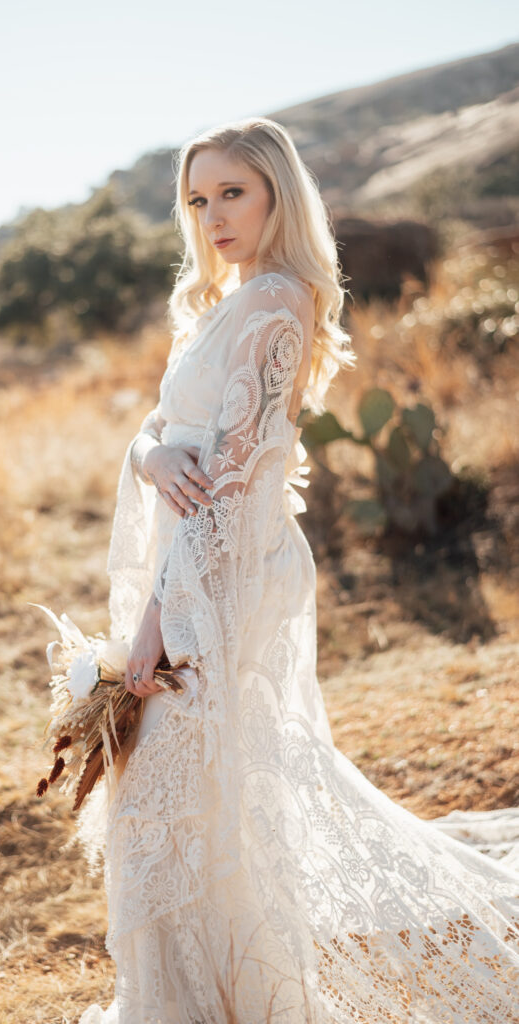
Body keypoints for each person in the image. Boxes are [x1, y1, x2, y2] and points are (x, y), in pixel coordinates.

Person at [77, 117, 519, 1023]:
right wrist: (147, 457)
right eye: (198, 200)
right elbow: (170, 438)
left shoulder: (278, 302)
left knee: (184, 784)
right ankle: (191, 994)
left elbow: (230, 490)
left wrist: (149, 643)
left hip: (226, 569)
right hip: (191, 559)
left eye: (232, 192)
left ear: (279, 191)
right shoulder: (218, 302)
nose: (213, 216)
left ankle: (238, 995)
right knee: (185, 788)